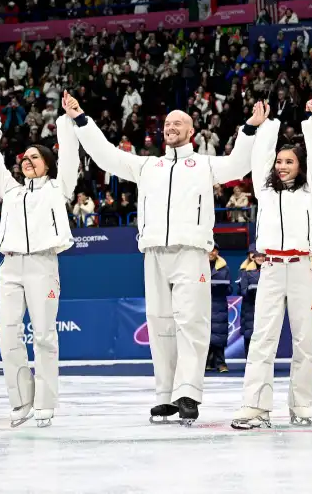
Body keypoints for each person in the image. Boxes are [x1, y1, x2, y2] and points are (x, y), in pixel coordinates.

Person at [63, 94, 265, 426]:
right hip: (154, 251)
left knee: (191, 323)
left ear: (191, 131)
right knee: (160, 324)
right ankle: (165, 395)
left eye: (178, 123)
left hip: (191, 251)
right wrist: (81, 119)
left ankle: (188, 394)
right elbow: (106, 156)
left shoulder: (204, 165)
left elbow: (239, 164)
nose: (171, 127)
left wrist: (250, 128)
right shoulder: (149, 166)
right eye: (167, 123)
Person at [0, 93, 79, 428]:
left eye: (35, 157)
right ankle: (21, 400)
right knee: (7, 335)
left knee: (44, 336)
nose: (27, 161)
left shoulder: (59, 189)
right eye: (25, 157)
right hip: (10, 267)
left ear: (48, 164)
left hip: (43, 266)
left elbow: (70, 155)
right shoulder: (11, 191)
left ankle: (45, 403)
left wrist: (68, 119)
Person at [232, 102, 312, 429]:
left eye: (289, 161)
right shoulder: (263, 190)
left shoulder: (310, 190)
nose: (282, 166)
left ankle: (301, 406)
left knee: (304, 341)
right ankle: (255, 407)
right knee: (263, 339)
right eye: (279, 161)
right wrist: (266, 124)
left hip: (302, 268)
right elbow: (259, 155)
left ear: (300, 166)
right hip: (272, 269)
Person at [207, 245, 233, 373]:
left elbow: (230, 289)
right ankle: (206, 362)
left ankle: (221, 363)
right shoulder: (197, 266)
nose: (211, 252)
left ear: (217, 252)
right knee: (203, 335)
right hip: (202, 304)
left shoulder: (225, 268)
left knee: (219, 335)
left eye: (214, 250)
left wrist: (222, 287)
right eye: (210, 250)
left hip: (219, 305)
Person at [238, 250, 265, 357]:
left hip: (265, 307)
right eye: (258, 256)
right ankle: (249, 360)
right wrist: (251, 290)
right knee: (249, 335)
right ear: (254, 257)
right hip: (250, 307)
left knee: (264, 336)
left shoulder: (270, 271)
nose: (260, 258)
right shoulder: (246, 272)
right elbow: (243, 291)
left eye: (262, 256)